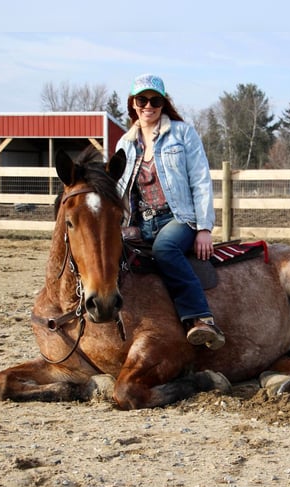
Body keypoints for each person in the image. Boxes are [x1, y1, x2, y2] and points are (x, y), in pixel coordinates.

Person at [115, 74, 225, 350]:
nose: (148, 105)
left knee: (165, 249)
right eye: (142, 99)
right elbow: (116, 190)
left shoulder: (182, 134)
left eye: (155, 100)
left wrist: (203, 229)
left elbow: (200, 181)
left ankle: (200, 319)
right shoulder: (124, 145)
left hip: (178, 219)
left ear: (163, 103)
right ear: (133, 104)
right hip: (141, 222)